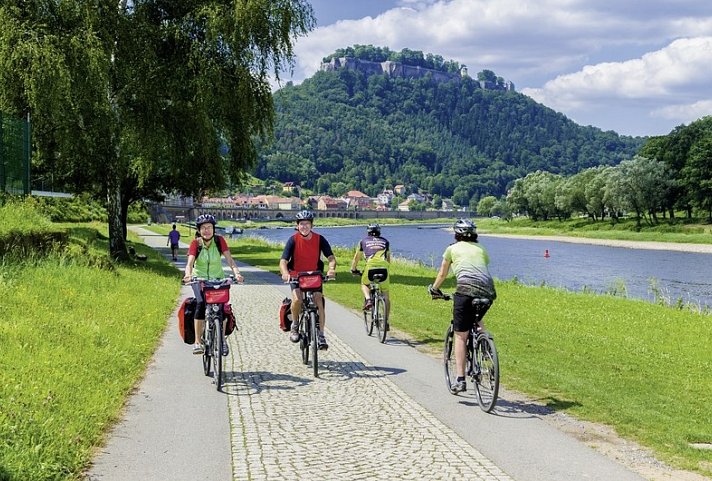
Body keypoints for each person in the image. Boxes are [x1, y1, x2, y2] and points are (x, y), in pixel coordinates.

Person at [429, 218, 496, 393]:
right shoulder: (481, 248)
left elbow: (443, 273)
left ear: (457, 234)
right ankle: (487, 349)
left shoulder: (451, 249)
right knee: (477, 319)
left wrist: (434, 289)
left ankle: (460, 379)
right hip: (488, 291)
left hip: (465, 292)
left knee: (460, 335)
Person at [183, 214, 244, 355]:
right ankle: (198, 342)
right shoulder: (196, 244)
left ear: (213, 229)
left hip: (218, 279)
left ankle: (221, 340)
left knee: (221, 308)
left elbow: (230, 260)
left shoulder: (219, 241)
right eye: (203, 228)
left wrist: (237, 273)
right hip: (199, 280)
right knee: (200, 304)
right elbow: (190, 263)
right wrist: (188, 275)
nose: (207, 230)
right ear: (199, 230)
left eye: (209, 227)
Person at [279, 210, 336, 350]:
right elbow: (283, 260)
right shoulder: (293, 240)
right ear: (297, 226)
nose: (304, 226)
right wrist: (285, 273)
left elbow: (331, 257)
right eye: (301, 224)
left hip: (314, 275)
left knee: (319, 302)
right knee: (297, 299)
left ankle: (321, 334)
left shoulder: (319, 239)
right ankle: (295, 324)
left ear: (312, 225)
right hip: (296, 275)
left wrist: (331, 269)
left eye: (307, 224)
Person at [350, 223, 391, 319]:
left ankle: (368, 299)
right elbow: (388, 259)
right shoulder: (385, 242)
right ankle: (386, 321)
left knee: (364, 284)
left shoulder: (363, 241)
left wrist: (353, 269)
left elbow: (356, 258)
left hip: (370, 268)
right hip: (384, 269)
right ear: (379, 231)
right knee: (386, 295)